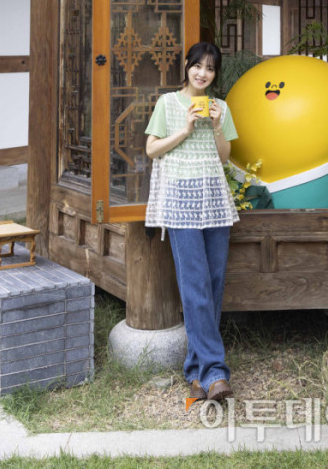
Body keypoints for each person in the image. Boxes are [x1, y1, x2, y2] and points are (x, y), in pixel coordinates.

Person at [145, 41, 239, 403]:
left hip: (213, 200)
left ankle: (196, 372)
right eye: (198, 66)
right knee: (195, 283)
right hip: (181, 203)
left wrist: (215, 126)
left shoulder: (221, 108)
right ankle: (216, 372)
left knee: (213, 282)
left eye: (210, 69)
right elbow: (152, 149)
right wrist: (184, 129)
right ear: (187, 66)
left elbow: (225, 156)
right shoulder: (168, 103)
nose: (203, 73)